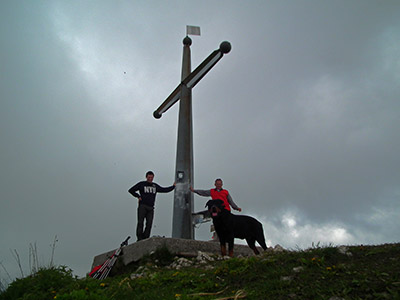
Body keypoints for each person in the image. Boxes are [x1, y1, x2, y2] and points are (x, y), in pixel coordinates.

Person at [128, 171, 175, 241]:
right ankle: (139, 238)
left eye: (151, 177)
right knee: (140, 222)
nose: (150, 179)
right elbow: (131, 190)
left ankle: (145, 238)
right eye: (149, 177)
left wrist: (173, 186)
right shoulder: (142, 184)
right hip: (142, 206)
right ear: (146, 177)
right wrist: (138, 196)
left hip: (151, 208)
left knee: (149, 223)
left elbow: (164, 189)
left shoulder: (154, 186)